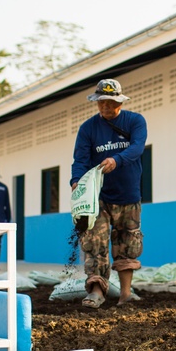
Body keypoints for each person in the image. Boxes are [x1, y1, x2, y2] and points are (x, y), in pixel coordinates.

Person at [70, 78, 147, 309]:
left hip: (129, 195)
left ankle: (125, 294)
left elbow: (137, 147)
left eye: (110, 102)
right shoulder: (88, 129)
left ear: (120, 101)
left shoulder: (135, 121)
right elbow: (80, 160)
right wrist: (76, 182)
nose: (106, 107)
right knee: (95, 242)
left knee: (128, 243)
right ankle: (96, 291)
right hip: (98, 198)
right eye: (101, 102)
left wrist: (117, 159)